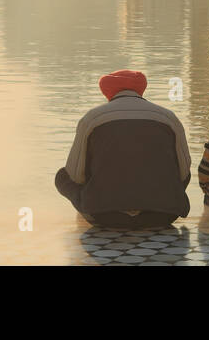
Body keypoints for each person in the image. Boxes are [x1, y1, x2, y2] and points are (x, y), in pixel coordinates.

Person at [54, 69, 191, 229]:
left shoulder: (92, 118)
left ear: (107, 91)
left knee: (62, 176)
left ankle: (93, 203)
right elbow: (184, 171)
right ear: (140, 89)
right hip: (163, 215)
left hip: (104, 215)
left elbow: (75, 174)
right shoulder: (168, 117)